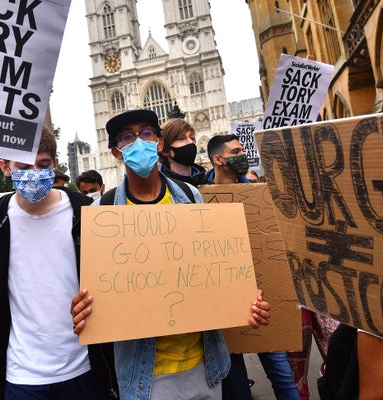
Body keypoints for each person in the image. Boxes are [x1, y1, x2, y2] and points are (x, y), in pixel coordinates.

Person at [71, 109, 271, 400]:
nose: (138, 141)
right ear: (116, 152)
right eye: (127, 137)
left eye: (146, 133)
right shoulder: (102, 214)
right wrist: (83, 310)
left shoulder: (190, 197)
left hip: (205, 367)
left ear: (160, 144)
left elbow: (212, 273)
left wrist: (244, 302)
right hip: (146, 377)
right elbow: (97, 296)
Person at [0, 127, 118, 400]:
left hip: (83, 370)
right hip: (22, 377)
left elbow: (113, 286)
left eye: (43, 165)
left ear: (55, 164)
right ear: (5, 167)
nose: (35, 173)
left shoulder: (86, 212)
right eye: (24, 166)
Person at [206, 134, 301, 400]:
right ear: (218, 159)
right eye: (236, 151)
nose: (242, 154)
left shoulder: (258, 193)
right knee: (236, 387)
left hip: (263, 300)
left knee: (284, 380)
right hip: (224, 306)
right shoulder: (197, 196)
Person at [158, 117, 208, 186]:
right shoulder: (160, 187)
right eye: (181, 139)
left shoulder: (208, 180)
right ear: (165, 150)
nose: (190, 142)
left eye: (192, 138)